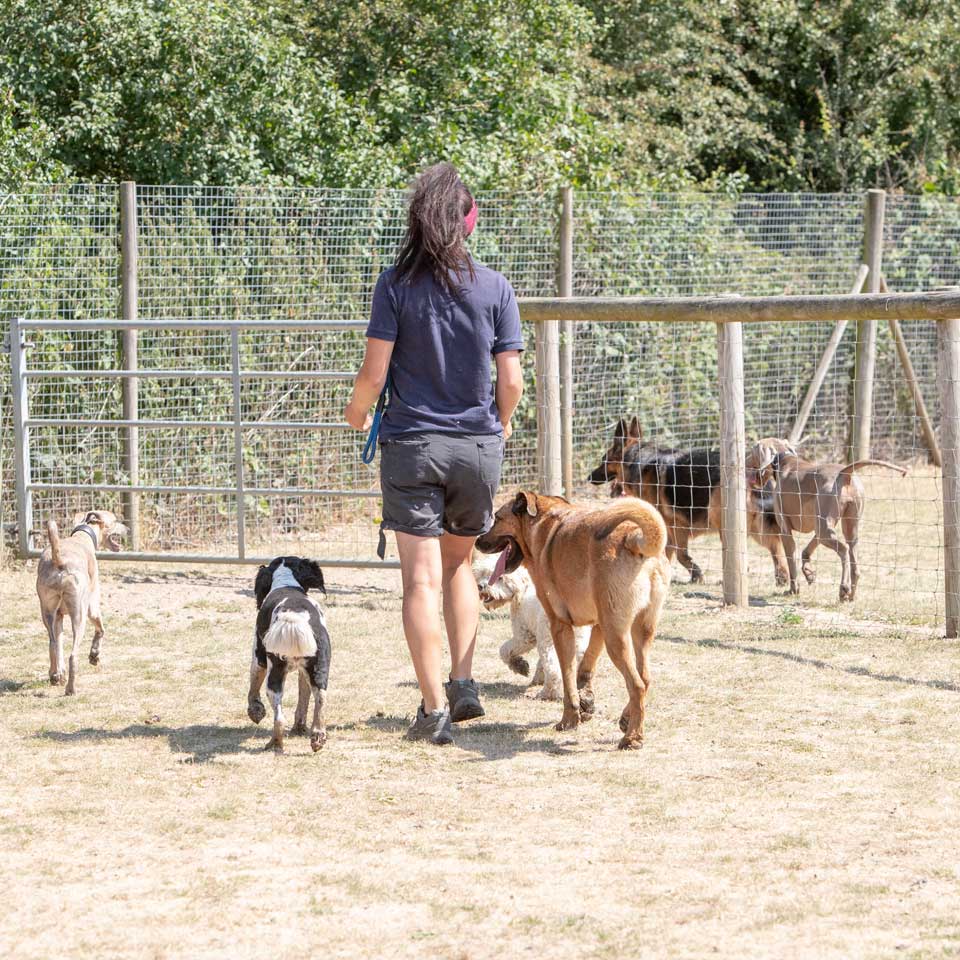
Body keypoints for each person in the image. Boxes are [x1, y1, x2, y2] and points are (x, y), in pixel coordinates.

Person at [344, 163, 524, 745]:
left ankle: (432, 708)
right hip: (476, 447)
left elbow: (373, 376)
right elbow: (512, 381)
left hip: (411, 445)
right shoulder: (496, 287)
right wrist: (497, 426)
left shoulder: (394, 284)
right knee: (457, 568)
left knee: (419, 581)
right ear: (468, 223)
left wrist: (356, 414)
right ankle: (464, 680)